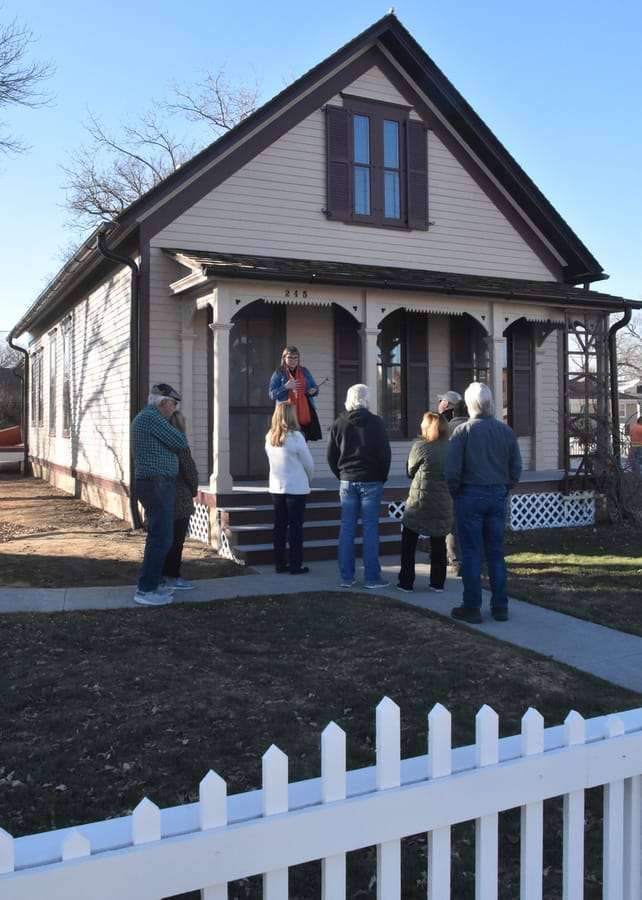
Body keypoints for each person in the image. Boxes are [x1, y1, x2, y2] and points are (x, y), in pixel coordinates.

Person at [445, 382, 522, 623]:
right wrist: (504, 487)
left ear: (470, 404)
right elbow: (516, 468)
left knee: (470, 554)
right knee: (496, 553)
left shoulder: (463, 432)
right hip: (497, 495)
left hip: (470, 494)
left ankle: (472, 606)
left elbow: (452, 470)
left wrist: (455, 492)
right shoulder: (505, 431)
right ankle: (500, 606)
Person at [327, 384, 391, 588]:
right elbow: (385, 454)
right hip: (371, 479)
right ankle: (372, 577)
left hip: (347, 480)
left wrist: (341, 474)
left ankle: (347, 576)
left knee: (347, 528)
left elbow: (331, 455)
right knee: (370, 529)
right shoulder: (376, 423)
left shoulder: (339, 423)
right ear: (367, 400)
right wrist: (382, 476)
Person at [130, 383, 189, 606]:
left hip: (156, 484)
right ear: (163, 402)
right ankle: (146, 590)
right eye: (173, 404)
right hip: (156, 484)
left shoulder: (149, 418)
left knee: (161, 537)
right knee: (161, 538)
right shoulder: (152, 418)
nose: (174, 409)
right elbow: (181, 441)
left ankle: (153, 584)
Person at [397, 412, 453, 594]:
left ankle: (406, 581)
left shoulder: (420, 446)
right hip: (443, 501)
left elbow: (410, 470)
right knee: (438, 543)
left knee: (408, 543)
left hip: (419, 503)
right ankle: (437, 582)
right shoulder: (452, 448)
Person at [265, 401, 315, 574]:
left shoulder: (270, 436)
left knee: (279, 526)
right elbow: (308, 462)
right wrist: (309, 477)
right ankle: (295, 564)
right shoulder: (296, 437)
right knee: (295, 527)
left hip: (277, 487)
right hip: (296, 488)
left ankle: (280, 563)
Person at [160, 409, 199, 591]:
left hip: (161, 495)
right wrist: (194, 489)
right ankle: (172, 577)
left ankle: (160, 574)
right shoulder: (180, 443)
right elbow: (189, 469)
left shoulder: (160, 443)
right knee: (176, 541)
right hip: (180, 498)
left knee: (162, 539)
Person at [268, 346, 321, 441]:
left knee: (303, 441)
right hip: (286, 413)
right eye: (290, 358)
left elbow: (315, 388)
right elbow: (272, 394)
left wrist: (313, 391)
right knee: (287, 441)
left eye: (295, 358)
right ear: (284, 358)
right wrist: (285, 387)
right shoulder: (278, 373)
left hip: (305, 411)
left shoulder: (305, 371)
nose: (293, 361)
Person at [446, 398, 469, 573]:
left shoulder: (446, 429)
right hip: (473, 481)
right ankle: (474, 559)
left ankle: (455, 561)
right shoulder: (476, 429)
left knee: (452, 523)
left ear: (454, 412)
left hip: (451, 481)